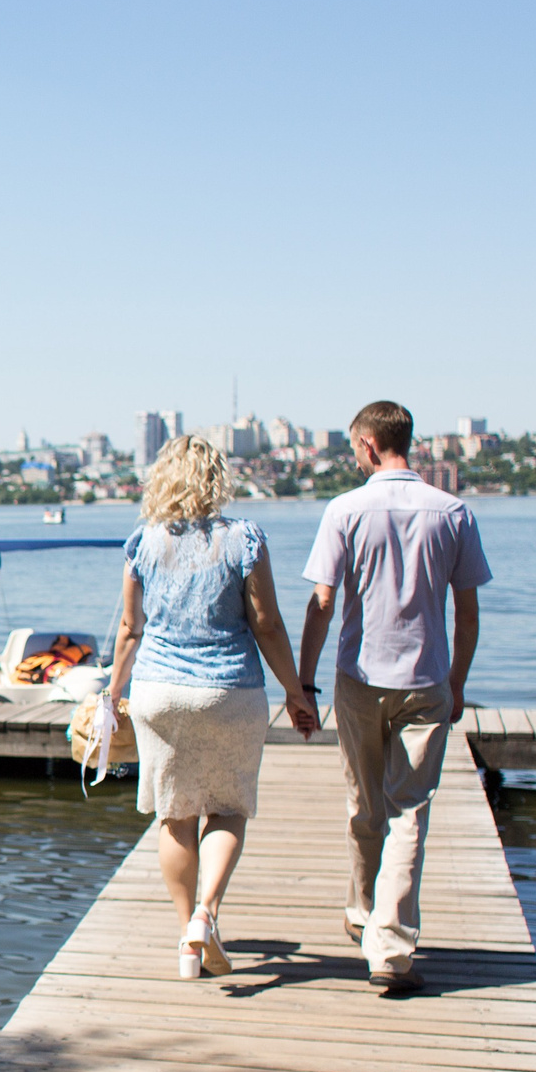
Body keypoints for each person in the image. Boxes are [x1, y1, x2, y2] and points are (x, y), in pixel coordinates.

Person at [297, 400, 492, 996]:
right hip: (426, 679)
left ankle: (362, 913)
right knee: (409, 811)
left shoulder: (345, 510)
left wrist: (303, 683)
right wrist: (457, 681)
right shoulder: (453, 512)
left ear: (366, 444)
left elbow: (323, 603)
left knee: (364, 802)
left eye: (353, 447)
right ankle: (390, 945)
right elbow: (467, 612)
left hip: (358, 678)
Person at [107, 436, 320, 979]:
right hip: (230, 689)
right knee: (227, 806)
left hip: (159, 691)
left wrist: (113, 694)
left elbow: (131, 629)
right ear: (216, 479)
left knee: (174, 814)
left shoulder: (143, 542)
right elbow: (267, 624)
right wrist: (296, 692)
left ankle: (187, 941)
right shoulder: (244, 539)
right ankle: (206, 913)